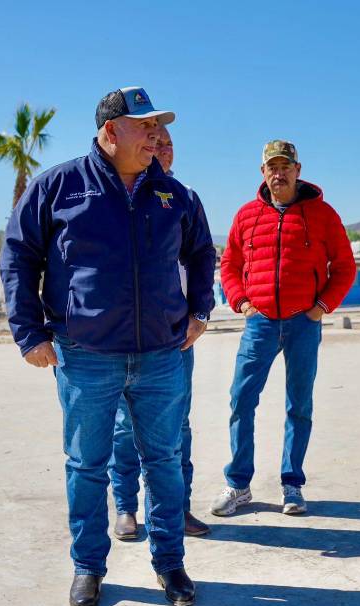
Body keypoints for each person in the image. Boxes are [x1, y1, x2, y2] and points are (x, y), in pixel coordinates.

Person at [0, 87, 216, 606]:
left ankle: (170, 564)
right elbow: (18, 258)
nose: (157, 136)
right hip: (85, 353)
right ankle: (88, 568)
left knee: (164, 461)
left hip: (162, 354)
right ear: (110, 131)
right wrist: (30, 334)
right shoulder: (59, 187)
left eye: (158, 127)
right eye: (145, 126)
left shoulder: (174, 194)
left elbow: (202, 252)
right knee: (87, 465)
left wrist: (200, 311)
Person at [212, 140, 355, 516]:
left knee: (299, 405)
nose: (279, 173)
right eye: (271, 167)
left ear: (297, 169)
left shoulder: (322, 214)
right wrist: (241, 302)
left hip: (302, 324)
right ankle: (238, 484)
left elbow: (344, 267)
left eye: (285, 166)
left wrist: (321, 307)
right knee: (241, 400)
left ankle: (292, 486)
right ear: (263, 172)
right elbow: (229, 264)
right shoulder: (246, 216)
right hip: (259, 324)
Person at [109, 125, 211, 541]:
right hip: (121, 339)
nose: (161, 149)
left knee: (177, 427)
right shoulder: (121, 195)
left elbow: (202, 257)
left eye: (168, 144)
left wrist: (198, 314)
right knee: (122, 427)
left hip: (173, 337)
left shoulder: (183, 198)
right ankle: (126, 508)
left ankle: (176, 508)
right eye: (155, 141)